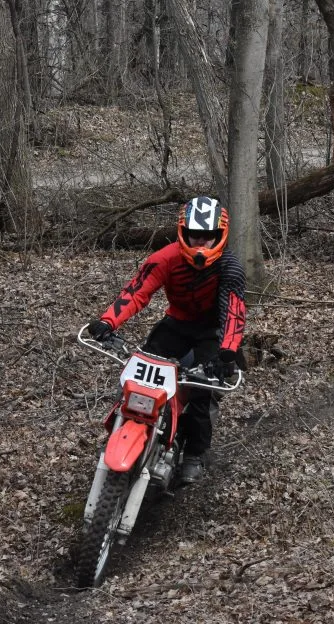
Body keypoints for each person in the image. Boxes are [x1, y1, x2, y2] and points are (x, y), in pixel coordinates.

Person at [88, 196, 246, 484]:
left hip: (210, 332)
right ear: (183, 233)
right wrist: (107, 321)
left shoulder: (229, 268)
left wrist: (228, 352)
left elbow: (233, 313)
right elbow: (136, 291)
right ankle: (121, 428)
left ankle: (195, 454)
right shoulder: (165, 258)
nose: (201, 244)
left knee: (202, 392)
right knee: (139, 374)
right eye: (194, 236)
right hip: (177, 323)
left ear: (219, 236)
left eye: (207, 238)